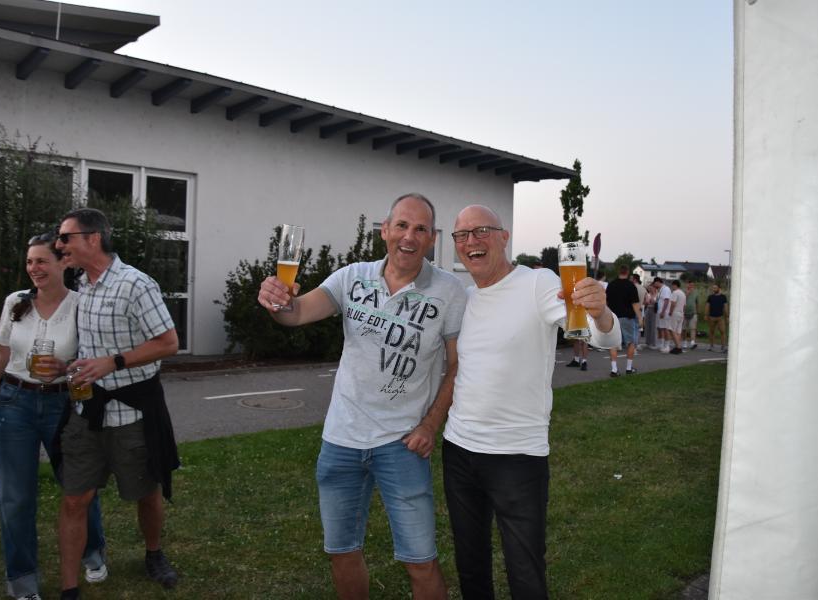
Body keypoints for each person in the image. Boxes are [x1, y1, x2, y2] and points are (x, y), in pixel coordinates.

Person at [257, 193, 466, 600]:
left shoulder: (450, 291)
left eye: (420, 229)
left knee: (420, 560)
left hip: (403, 444)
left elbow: (458, 366)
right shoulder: (352, 277)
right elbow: (297, 313)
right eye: (401, 225)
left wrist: (430, 425)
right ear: (384, 231)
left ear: (432, 238)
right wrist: (276, 302)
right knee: (342, 552)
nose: (409, 236)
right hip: (341, 440)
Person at [442, 205, 618, 599]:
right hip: (459, 450)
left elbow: (598, 336)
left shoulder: (538, 283)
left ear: (504, 237)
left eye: (482, 230)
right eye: (462, 235)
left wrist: (601, 313)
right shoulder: (466, 298)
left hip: (517, 456)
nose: (471, 241)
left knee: (525, 572)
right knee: (470, 565)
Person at [0, 233, 106, 599]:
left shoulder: (82, 304)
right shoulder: (16, 302)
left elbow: (95, 360)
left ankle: (92, 551)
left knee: (79, 488)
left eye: (42, 260)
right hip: (15, 404)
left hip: (65, 404)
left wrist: (66, 368)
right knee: (15, 498)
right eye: (29, 261)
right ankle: (23, 582)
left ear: (63, 263)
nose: (34, 268)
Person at [54, 208, 180, 599]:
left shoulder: (135, 284)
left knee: (146, 491)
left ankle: (154, 553)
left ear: (93, 238)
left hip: (132, 413)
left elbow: (168, 343)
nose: (59, 245)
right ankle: (69, 587)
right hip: (86, 410)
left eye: (66, 238)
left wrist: (114, 362)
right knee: (74, 498)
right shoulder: (81, 284)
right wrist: (68, 366)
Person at [606, 266, 642, 376]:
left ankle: (614, 370)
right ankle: (629, 368)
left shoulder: (611, 285)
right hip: (627, 317)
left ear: (619, 272)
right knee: (631, 343)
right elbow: (635, 304)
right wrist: (640, 318)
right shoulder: (631, 286)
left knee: (613, 343)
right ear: (628, 272)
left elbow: (606, 302)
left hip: (613, 317)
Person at [705, 284, 729, 352]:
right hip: (712, 317)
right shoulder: (710, 297)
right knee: (711, 331)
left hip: (720, 317)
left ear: (719, 288)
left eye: (715, 288)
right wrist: (706, 315)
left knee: (723, 331)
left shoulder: (723, 297)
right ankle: (711, 346)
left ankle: (723, 346)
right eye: (713, 288)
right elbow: (707, 306)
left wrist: (727, 316)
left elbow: (726, 306)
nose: (714, 289)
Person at [667, 280, 686, 354]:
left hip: (675, 313)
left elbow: (673, 303)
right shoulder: (683, 293)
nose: (672, 287)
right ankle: (678, 346)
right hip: (681, 313)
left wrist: (670, 312)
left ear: (675, 285)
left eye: (672, 285)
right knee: (678, 331)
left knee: (672, 329)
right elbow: (684, 305)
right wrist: (683, 313)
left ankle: (678, 347)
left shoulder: (675, 293)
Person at [654, 277, 672, 353]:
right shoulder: (660, 290)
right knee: (660, 328)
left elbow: (666, 300)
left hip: (664, 312)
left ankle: (667, 346)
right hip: (659, 311)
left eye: (655, 283)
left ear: (658, 282)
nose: (654, 285)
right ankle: (661, 344)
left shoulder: (666, 289)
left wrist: (663, 312)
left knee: (665, 328)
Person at [630, 273, 647, 347]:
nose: (630, 280)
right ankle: (636, 343)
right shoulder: (643, 288)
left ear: (634, 279)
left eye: (631, 278)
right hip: (640, 310)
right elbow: (646, 300)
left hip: (632, 309)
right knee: (638, 328)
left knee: (632, 327)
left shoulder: (632, 287)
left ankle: (632, 344)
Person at [682, 281, 699, 350]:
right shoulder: (683, 292)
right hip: (684, 313)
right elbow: (682, 300)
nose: (691, 286)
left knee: (693, 328)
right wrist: (687, 293)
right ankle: (684, 342)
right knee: (684, 329)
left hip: (693, 313)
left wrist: (697, 312)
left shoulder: (696, 292)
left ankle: (692, 342)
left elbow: (697, 302)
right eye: (690, 285)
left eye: (692, 285)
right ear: (687, 285)